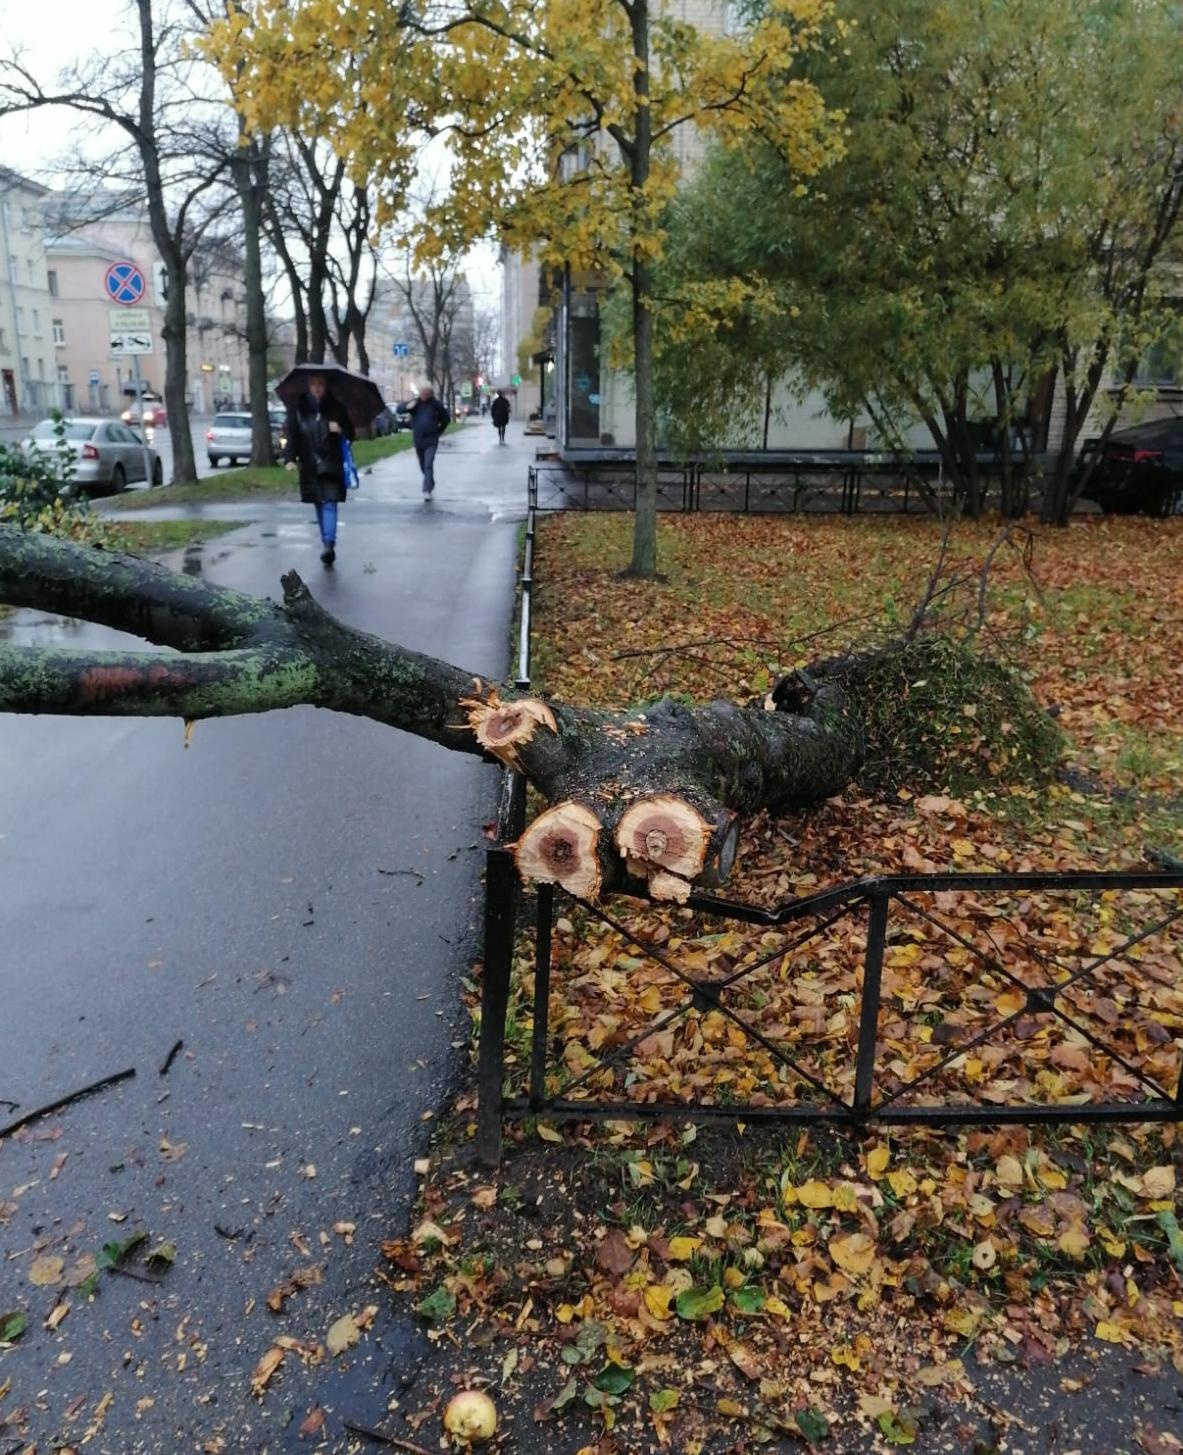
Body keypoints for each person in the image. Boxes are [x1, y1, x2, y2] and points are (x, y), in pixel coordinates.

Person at [283, 372, 355, 565]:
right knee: (318, 504)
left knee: (330, 503)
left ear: (326, 386)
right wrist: (289, 459)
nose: (317, 387)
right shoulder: (299, 410)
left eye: (320, 384)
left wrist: (340, 429)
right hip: (309, 465)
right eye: (313, 383)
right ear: (308, 386)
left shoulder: (337, 409)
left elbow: (352, 434)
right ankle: (326, 542)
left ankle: (329, 544)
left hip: (332, 463)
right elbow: (293, 437)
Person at [407, 384, 451, 496]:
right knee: (422, 464)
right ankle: (430, 482)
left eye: (427, 393)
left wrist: (439, 431)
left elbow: (446, 418)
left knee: (428, 464)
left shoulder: (436, 404)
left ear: (430, 394)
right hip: (418, 440)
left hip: (431, 440)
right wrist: (408, 405)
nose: (424, 395)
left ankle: (426, 489)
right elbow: (400, 409)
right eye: (423, 393)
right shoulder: (416, 404)